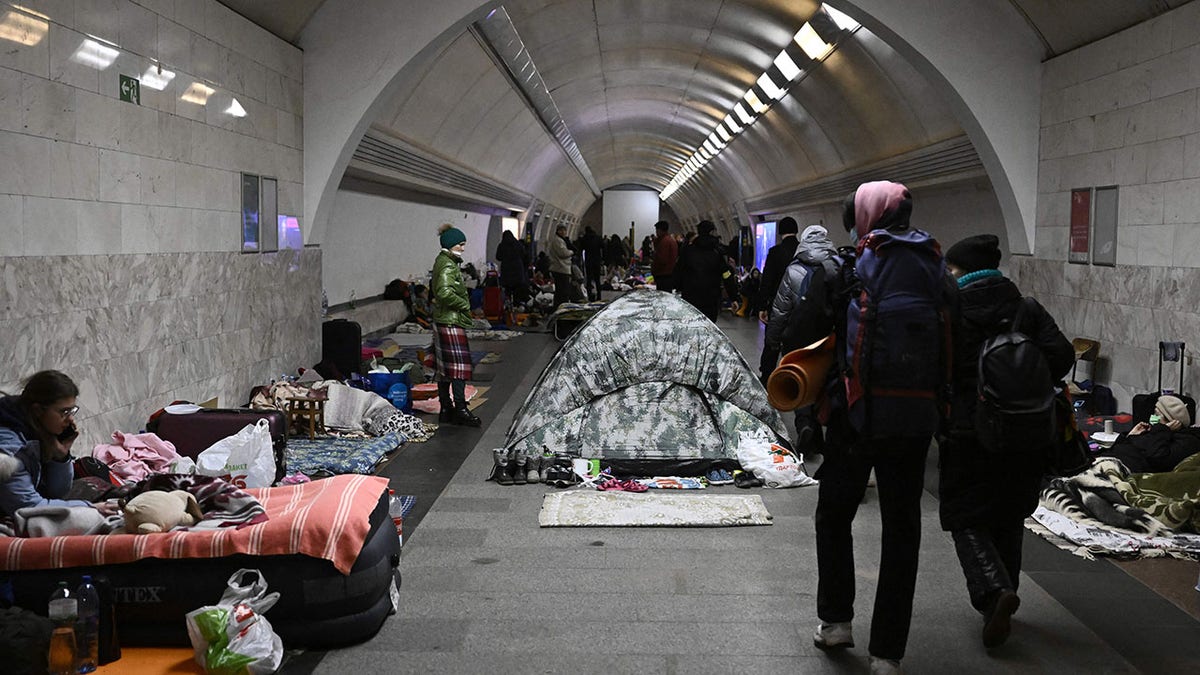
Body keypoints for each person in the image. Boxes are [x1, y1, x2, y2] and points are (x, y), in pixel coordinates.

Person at [812, 182, 949, 675]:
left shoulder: (851, 267)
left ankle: (836, 621)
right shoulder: (935, 264)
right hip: (914, 421)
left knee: (834, 515)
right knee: (902, 531)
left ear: (863, 217)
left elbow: (819, 336)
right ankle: (888, 652)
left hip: (857, 416)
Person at [938, 234, 1074, 649]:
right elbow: (1062, 356)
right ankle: (1006, 597)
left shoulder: (952, 308)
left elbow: (936, 365)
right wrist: (1023, 385)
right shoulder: (1025, 308)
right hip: (1027, 431)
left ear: (959, 270)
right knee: (1009, 514)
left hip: (968, 431)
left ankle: (995, 592)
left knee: (965, 515)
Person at [0, 370, 121, 518]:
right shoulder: (9, 450)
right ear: (38, 410)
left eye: (72, 411)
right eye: (64, 412)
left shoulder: (40, 429)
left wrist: (60, 457)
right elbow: (28, 507)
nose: (70, 420)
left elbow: (57, 492)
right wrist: (91, 508)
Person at [765, 225, 841, 455]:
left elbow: (781, 310)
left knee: (802, 379)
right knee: (825, 381)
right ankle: (826, 429)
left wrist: (773, 339)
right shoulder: (837, 268)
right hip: (828, 336)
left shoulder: (794, 270)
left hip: (799, 334)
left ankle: (806, 424)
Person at [431, 224, 482, 427]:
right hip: (450, 320)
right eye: (461, 244)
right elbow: (443, 292)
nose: (463, 248)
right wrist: (463, 305)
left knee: (444, 368)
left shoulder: (442, 261)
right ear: (451, 244)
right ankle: (460, 408)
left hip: (442, 319)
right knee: (459, 366)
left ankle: (446, 408)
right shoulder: (449, 265)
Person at [756, 217, 801, 383]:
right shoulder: (802, 251)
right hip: (798, 306)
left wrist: (762, 306)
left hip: (777, 305)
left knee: (772, 342)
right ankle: (791, 377)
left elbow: (766, 281)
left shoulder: (775, 252)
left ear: (780, 232)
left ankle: (767, 375)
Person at [674, 220, 737, 321]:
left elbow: (678, 270)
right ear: (712, 232)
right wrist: (733, 296)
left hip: (690, 296)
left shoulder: (688, 251)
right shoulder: (717, 252)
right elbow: (726, 275)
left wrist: (678, 287)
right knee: (709, 327)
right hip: (710, 297)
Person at [495, 230, 530, 306]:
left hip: (506, 270)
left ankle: (508, 305)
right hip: (518, 270)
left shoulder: (501, 245)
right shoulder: (518, 244)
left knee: (508, 289)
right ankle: (516, 305)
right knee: (517, 289)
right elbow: (524, 255)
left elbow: (498, 257)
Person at [547, 224, 575, 309]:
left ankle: (559, 307)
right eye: (561, 230)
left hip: (561, 268)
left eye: (564, 230)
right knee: (563, 292)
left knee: (560, 291)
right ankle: (561, 308)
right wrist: (572, 252)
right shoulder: (558, 241)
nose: (563, 232)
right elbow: (563, 253)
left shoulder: (560, 240)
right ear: (557, 231)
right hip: (561, 268)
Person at [577, 226, 604, 301]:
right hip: (597, 261)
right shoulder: (598, 238)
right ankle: (599, 296)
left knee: (589, 279)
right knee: (597, 279)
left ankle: (590, 296)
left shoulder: (584, 239)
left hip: (588, 261)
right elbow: (603, 247)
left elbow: (580, 249)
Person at [650, 221, 678, 293]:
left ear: (660, 230)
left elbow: (662, 260)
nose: (656, 232)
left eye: (657, 230)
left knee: (662, 296)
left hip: (663, 275)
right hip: (669, 274)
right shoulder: (671, 240)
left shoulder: (664, 242)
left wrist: (654, 270)